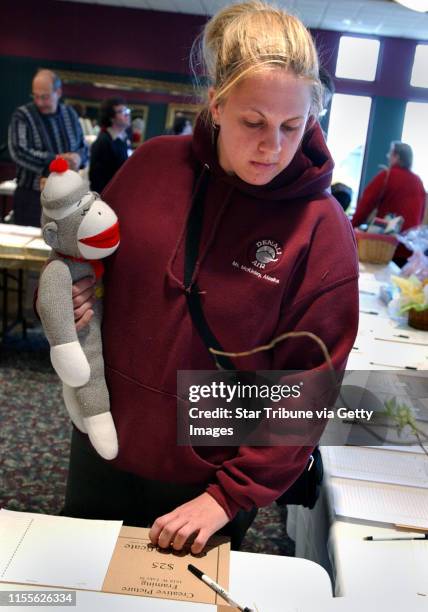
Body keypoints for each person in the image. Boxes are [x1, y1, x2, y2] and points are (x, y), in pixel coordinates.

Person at [62, 0, 359, 554]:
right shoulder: (152, 165)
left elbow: (308, 390)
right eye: (253, 122)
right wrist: (69, 296)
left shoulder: (321, 229)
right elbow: (87, 268)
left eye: (292, 126)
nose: (273, 147)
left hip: (208, 475)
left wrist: (228, 496)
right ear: (217, 105)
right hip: (103, 437)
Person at [8, 69, 88, 227]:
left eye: (44, 97)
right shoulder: (23, 115)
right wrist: (57, 160)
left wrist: (79, 158)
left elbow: (83, 147)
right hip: (32, 196)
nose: (39, 102)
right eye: (35, 96)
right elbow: (18, 152)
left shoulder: (70, 114)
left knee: (61, 246)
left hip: (66, 196)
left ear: (58, 92)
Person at [352, 141, 426, 263]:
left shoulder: (387, 176)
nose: (388, 157)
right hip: (409, 248)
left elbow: (365, 205)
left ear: (396, 157)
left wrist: (351, 227)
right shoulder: (418, 182)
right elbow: (421, 214)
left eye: (390, 154)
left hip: (385, 247)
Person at [89, 97, 131, 194]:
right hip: (107, 198)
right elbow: (96, 180)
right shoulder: (103, 141)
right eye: (121, 111)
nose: (127, 114)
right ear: (111, 117)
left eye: (126, 110)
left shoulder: (123, 138)